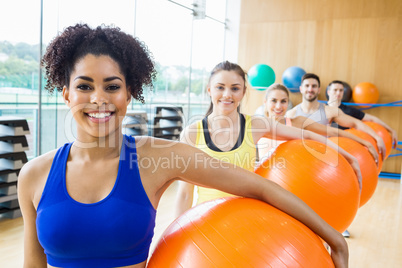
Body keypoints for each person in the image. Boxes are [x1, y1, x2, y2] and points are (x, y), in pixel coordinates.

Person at [18, 24, 352, 268]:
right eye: (85, 86)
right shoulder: (33, 175)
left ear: (128, 94)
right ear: (66, 94)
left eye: (112, 86)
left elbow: (260, 187)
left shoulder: (158, 157)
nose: (99, 99)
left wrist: (333, 238)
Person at [176, 61, 362, 217]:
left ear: (243, 92)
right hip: (205, 222)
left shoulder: (256, 125)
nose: (227, 94)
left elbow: (307, 135)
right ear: (209, 90)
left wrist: (347, 156)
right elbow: (184, 195)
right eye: (220, 87)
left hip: (245, 219)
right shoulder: (192, 133)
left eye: (235, 88)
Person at [257, 83, 379, 164]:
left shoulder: (297, 122)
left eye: (283, 101)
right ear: (265, 102)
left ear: (288, 102)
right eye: (274, 101)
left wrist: (366, 143)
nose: (279, 106)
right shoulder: (257, 125)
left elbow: (334, 131)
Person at [286, 73, 387, 160]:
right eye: (307, 86)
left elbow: (356, 123)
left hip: (322, 159)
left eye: (314, 86)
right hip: (299, 159)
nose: (310, 89)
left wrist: (377, 138)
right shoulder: (291, 114)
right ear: (301, 89)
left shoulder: (329, 111)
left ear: (319, 90)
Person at [327, 80, 398, 147]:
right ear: (329, 92)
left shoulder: (349, 110)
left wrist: (391, 130)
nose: (338, 93)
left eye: (341, 90)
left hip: (343, 147)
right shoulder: (321, 109)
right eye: (335, 90)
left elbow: (372, 119)